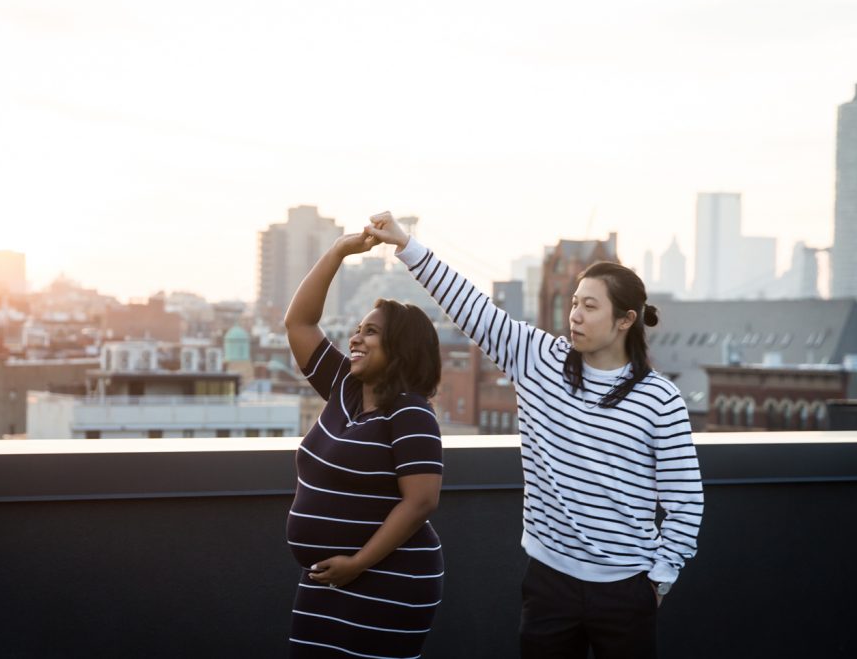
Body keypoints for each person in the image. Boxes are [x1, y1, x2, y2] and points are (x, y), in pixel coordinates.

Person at [365, 212, 703, 659]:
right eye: (574, 303)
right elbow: (471, 307)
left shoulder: (659, 398)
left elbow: (685, 498)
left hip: (626, 591)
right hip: (548, 583)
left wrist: (660, 578)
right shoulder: (537, 358)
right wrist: (407, 245)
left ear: (626, 320)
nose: (575, 316)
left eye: (590, 306)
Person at [284, 230, 445, 658]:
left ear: (400, 349)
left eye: (370, 332)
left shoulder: (409, 412)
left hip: (388, 580)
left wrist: (357, 564)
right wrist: (338, 250)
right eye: (357, 329)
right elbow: (298, 323)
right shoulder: (344, 388)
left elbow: (421, 502)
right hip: (328, 580)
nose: (355, 338)